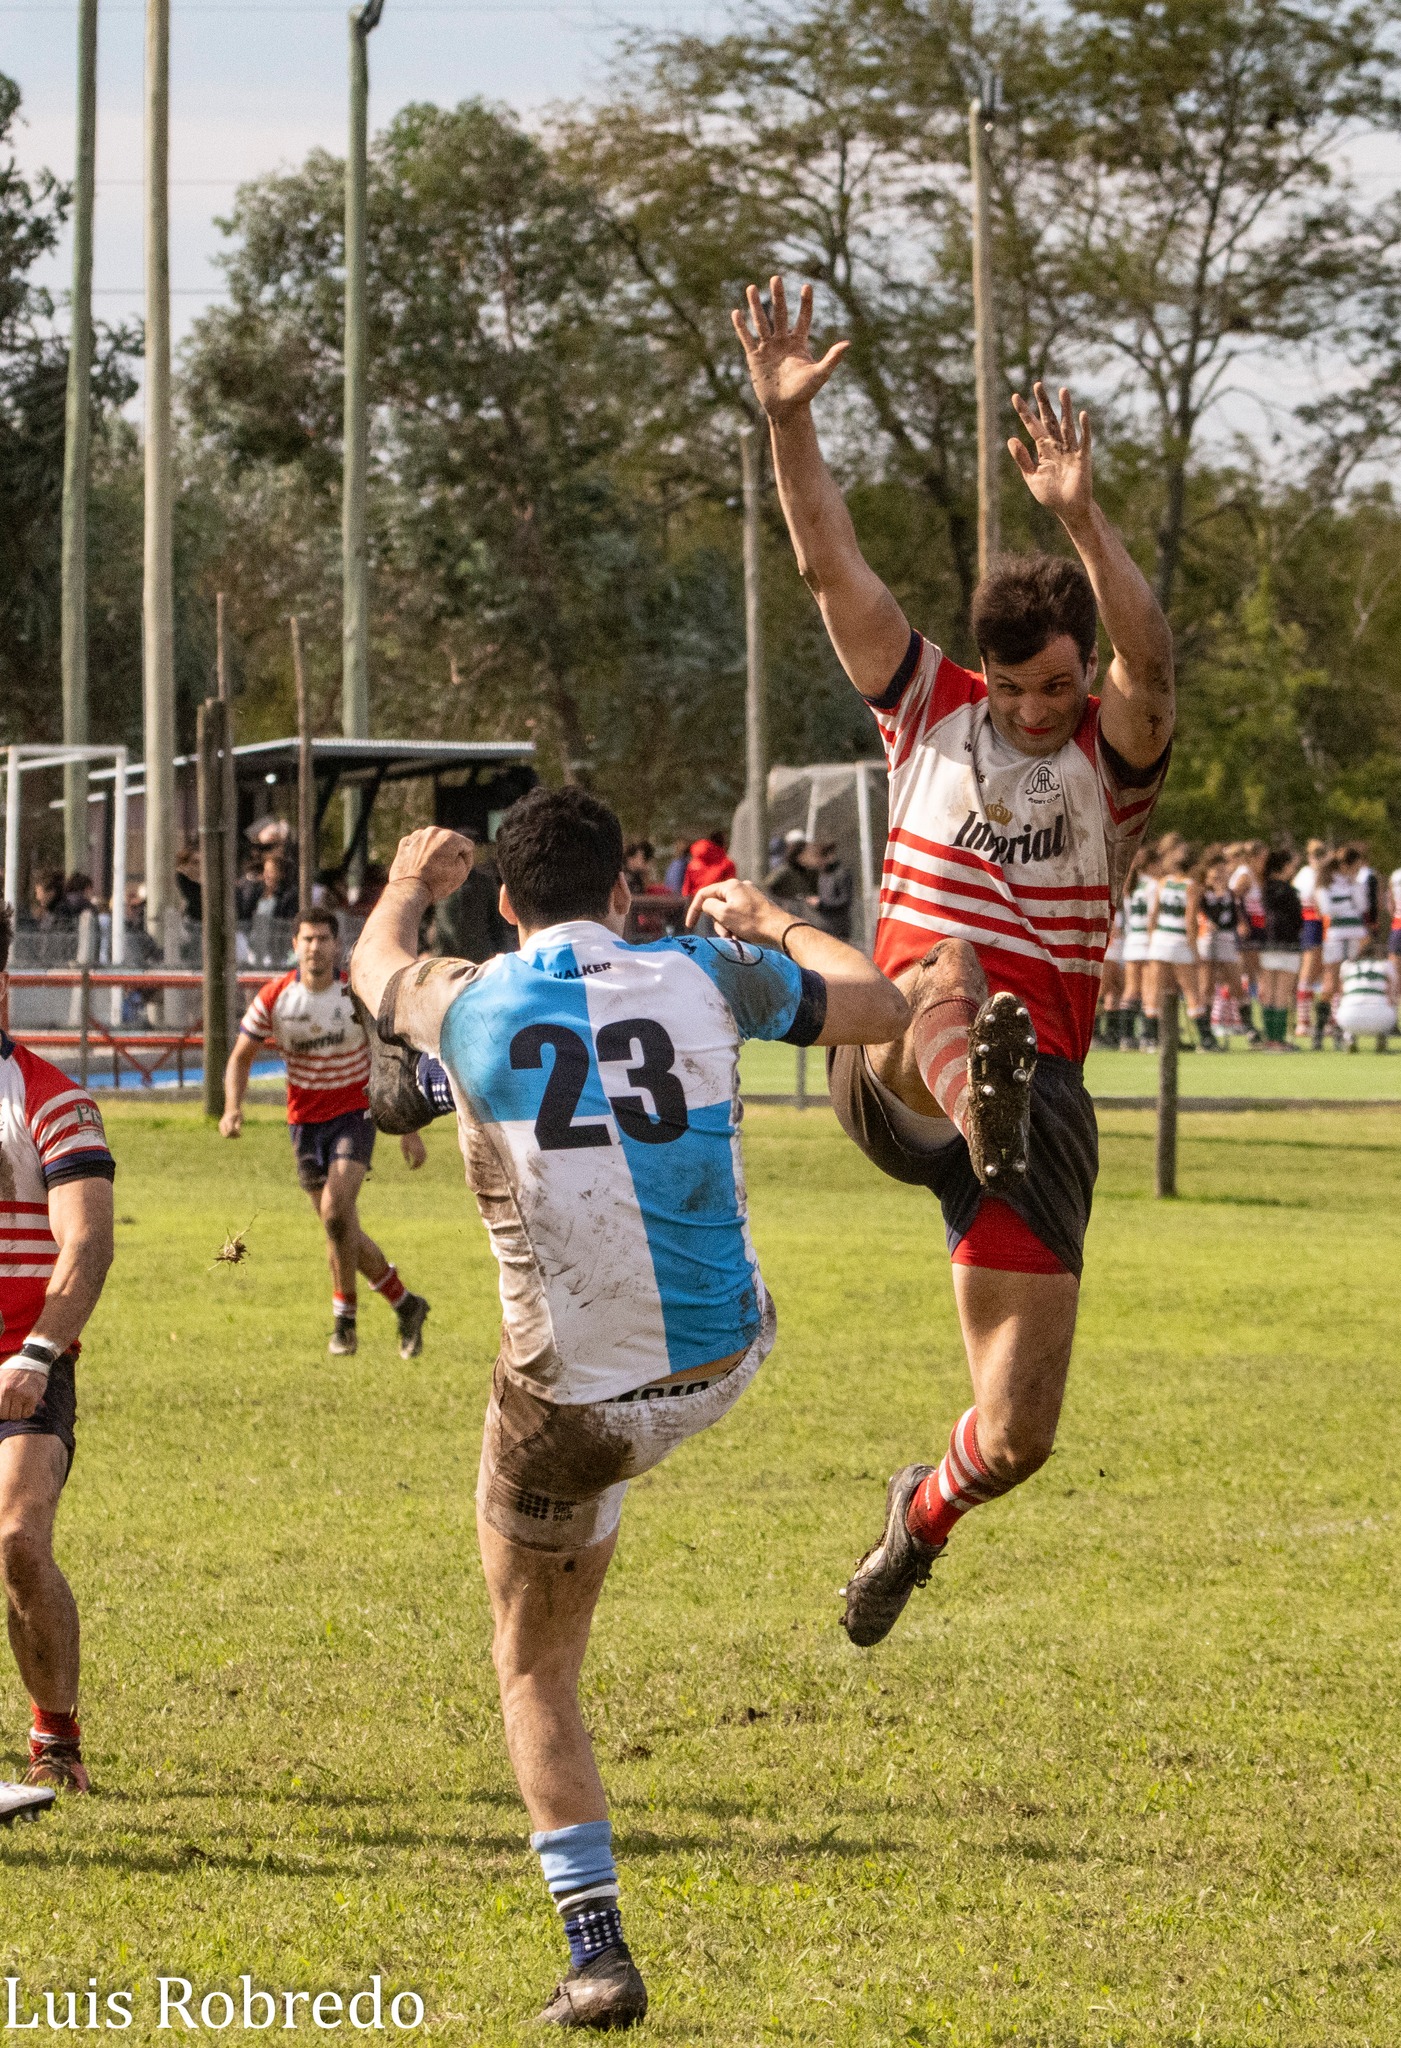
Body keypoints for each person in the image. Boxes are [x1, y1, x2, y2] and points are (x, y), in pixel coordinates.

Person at [348, 790, 909, 2030]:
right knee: (642, 1347)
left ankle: (596, 1950)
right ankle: (445, 1094)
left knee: (536, 1659)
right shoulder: (707, 971)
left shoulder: (468, 989)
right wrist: (771, 917)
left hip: (573, 1407)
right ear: (623, 892)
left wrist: (405, 876)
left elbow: (374, 963)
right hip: (725, 1362)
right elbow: (880, 1002)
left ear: (505, 902)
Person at [731, 275, 1174, 1647]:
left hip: (1037, 1102)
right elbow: (827, 567)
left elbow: (1153, 661)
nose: (1043, 713)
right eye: (1022, 690)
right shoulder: (927, 707)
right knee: (946, 970)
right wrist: (787, 425)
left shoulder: (1111, 751)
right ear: (985, 674)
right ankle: (962, 1087)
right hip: (900, 1058)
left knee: (1021, 1427)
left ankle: (914, 1518)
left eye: (1059, 685)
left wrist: (1083, 518)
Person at [0, 902, 116, 1800]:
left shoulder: (51, 1098)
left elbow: (86, 1246)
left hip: (23, 1359)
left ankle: (56, 1738)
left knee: (17, 1541)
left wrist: (39, 1350)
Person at [219, 910, 430, 1359]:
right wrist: (233, 1108)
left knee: (336, 1213)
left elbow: (391, 1053)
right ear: (295, 945)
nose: (315, 947)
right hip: (304, 1123)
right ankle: (406, 1303)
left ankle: (344, 1323)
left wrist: (407, 1129)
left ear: (337, 945)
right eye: (307, 939)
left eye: (324, 939)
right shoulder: (276, 998)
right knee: (340, 1227)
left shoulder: (355, 995)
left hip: (355, 1114)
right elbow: (240, 1057)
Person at [1315, 847, 1368, 1049]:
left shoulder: (1353, 882)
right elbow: (1326, 909)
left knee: (1348, 983)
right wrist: (1345, 904)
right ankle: (1320, 1030)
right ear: (1346, 864)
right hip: (1336, 936)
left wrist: (1354, 887)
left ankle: (1343, 1028)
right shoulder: (1326, 882)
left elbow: (1362, 906)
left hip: (1354, 935)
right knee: (1330, 983)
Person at [1257, 847, 1303, 1048]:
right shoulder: (1288, 890)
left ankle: (1270, 1038)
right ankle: (1278, 1038)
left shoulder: (1265, 887)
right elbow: (1297, 920)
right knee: (1281, 993)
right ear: (1285, 866)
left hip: (1268, 944)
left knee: (1269, 992)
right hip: (1288, 945)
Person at [1118, 847, 1157, 1048]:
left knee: (1131, 990)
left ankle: (1125, 1037)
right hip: (1146, 942)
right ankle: (1147, 1037)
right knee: (1149, 990)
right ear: (1152, 865)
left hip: (1132, 941)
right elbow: (1152, 918)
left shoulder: (1130, 885)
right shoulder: (1152, 885)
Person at [1293, 839, 1327, 1038]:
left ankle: (1327, 1021)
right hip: (1311, 923)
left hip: (1324, 924)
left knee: (1323, 972)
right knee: (1308, 971)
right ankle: (1303, 1022)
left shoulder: (1325, 875)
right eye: (1316, 856)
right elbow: (1303, 898)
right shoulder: (1305, 874)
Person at [1336, 945, 1397, 1051]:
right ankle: (1382, 1036)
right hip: (1381, 1019)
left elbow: (1341, 992)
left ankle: (1349, 1037)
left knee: (1344, 1002)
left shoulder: (1347, 965)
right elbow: (1393, 991)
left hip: (1348, 1019)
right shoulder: (1386, 964)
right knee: (1391, 1003)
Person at [681, 830, 735, 897]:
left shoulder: (693, 863)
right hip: (716, 901)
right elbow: (731, 888)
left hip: (694, 900)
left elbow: (686, 890)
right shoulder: (727, 864)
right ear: (723, 844)